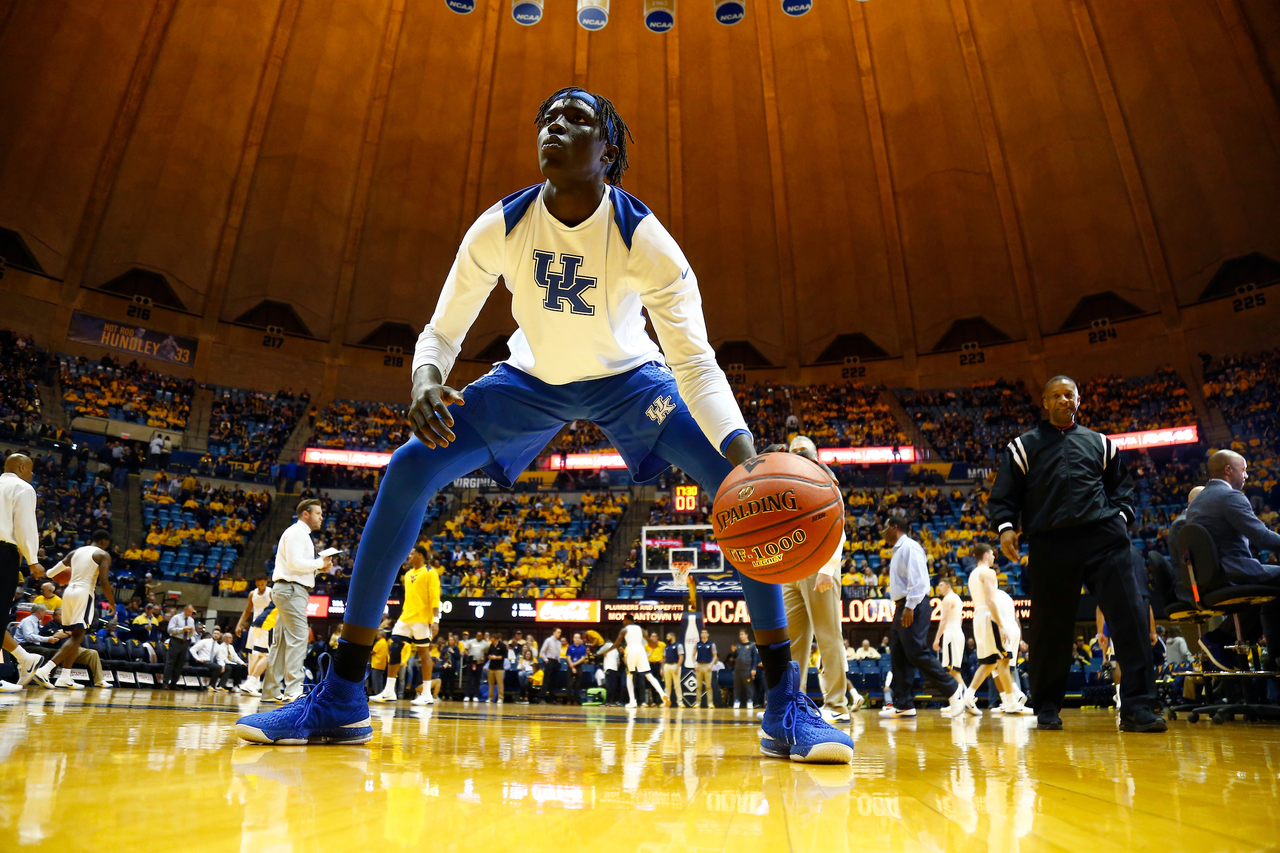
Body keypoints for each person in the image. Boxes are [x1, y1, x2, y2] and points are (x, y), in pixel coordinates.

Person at [235, 86, 852, 764]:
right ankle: (343, 696)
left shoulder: (645, 239)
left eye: (576, 118)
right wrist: (424, 381)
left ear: (607, 152)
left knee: (750, 495)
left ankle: (783, 705)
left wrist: (745, 455)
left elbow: (695, 364)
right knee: (409, 467)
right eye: (547, 117)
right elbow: (441, 332)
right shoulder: (501, 225)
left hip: (631, 382)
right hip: (526, 382)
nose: (554, 125)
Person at [989, 375, 1164, 733]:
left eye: (1070, 394)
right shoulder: (1022, 448)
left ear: (1079, 400)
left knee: (1130, 620)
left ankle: (1137, 707)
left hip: (1104, 540)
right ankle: (1048, 708)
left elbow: (1124, 492)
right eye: (1056, 395)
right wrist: (1006, 527)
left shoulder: (1101, 443)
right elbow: (1004, 497)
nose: (1064, 400)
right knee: (1050, 632)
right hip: (1050, 543)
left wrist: (1120, 521)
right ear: (1045, 401)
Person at [775, 436, 861, 722]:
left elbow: (838, 525)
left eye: (803, 452)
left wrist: (829, 565)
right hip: (794, 568)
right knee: (794, 641)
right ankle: (793, 704)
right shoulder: (788, 483)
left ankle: (837, 705)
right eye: (794, 453)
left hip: (820, 563)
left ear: (813, 455)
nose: (798, 456)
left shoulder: (824, 477)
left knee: (828, 635)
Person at [1184, 450, 1280, 656]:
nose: (1246, 476)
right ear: (1228, 470)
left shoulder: (1197, 502)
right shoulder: (1229, 496)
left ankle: (1249, 642)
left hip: (1210, 578)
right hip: (1232, 573)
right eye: (1243, 470)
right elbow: (1261, 537)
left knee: (1269, 586)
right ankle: (1272, 653)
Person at [880, 516, 963, 718]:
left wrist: (909, 606)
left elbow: (919, 580)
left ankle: (953, 689)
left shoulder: (910, 546)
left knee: (916, 652)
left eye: (884, 528)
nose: (881, 532)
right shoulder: (898, 549)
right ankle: (904, 704)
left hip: (913, 604)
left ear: (894, 527)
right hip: (902, 606)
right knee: (899, 654)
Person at [260, 499, 331, 703]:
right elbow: (295, 563)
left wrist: (319, 568)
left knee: (281, 642)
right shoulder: (297, 532)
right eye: (318, 513)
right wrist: (318, 563)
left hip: (288, 588)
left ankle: (271, 691)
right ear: (305, 514)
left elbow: (296, 566)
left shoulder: (301, 534)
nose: (321, 517)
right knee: (300, 636)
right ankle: (293, 690)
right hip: (291, 590)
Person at [32, 530, 115, 690]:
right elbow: (104, 581)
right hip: (84, 593)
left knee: (74, 636)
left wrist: (45, 574)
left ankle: (65, 677)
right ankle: (45, 670)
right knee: (77, 636)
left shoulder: (75, 552)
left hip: (68, 593)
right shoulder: (102, 554)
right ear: (104, 541)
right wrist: (111, 602)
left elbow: (51, 573)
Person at [952, 543, 1029, 717]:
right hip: (989, 616)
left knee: (989, 662)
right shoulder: (988, 572)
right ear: (986, 554)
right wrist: (1001, 625)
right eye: (992, 554)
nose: (994, 557)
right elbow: (991, 601)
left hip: (978, 617)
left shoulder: (972, 574)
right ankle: (1010, 701)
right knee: (1003, 660)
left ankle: (969, 695)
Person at [372, 546, 441, 706]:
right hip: (405, 617)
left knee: (424, 654)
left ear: (420, 555)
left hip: (422, 619)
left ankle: (426, 694)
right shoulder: (408, 574)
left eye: (412, 554)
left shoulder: (430, 572)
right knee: (394, 648)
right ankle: (389, 691)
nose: (409, 557)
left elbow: (435, 597)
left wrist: (436, 620)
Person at [0, 453, 45, 690]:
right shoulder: (22, 487)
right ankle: (24, 658)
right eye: (30, 470)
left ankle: (24, 658)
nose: (32, 474)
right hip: (3, 552)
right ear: (21, 467)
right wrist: (33, 559)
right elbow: (26, 525)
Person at [603, 615, 666, 709]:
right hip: (641, 650)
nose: (623, 622)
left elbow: (616, 643)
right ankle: (662, 694)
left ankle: (633, 701)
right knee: (648, 675)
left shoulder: (624, 630)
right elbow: (648, 640)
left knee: (629, 675)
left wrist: (607, 651)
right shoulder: (640, 629)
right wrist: (655, 645)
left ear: (628, 620)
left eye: (624, 620)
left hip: (631, 650)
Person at [234, 575, 273, 696]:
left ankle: (252, 683)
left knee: (265, 654)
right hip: (254, 626)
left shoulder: (271, 593)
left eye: (262, 584)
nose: (259, 587)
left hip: (267, 626)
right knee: (252, 655)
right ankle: (251, 683)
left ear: (266, 582)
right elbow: (247, 611)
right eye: (257, 584)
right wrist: (239, 624)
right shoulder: (252, 594)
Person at [932, 576, 965, 689]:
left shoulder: (947, 599)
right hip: (957, 633)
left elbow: (944, 620)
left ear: (948, 586)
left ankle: (967, 697)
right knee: (950, 671)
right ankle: (956, 700)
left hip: (951, 635)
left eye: (941, 585)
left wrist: (937, 639)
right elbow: (960, 619)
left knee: (953, 670)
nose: (939, 588)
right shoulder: (958, 598)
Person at [163, 604, 197, 690]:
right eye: (189, 611)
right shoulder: (176, 618)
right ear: (185, 610)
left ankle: (173, 684)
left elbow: (190, 634)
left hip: (185, 642)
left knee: (180, 664)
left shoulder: (191, 620)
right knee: (170, 663)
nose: (190, 613)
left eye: (191, 612)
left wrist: (191, 632)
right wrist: (182, 629)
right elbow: (170, 630)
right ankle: (165, 684)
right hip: (175, 641)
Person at [732, 629, 758, 711]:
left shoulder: (751, 645)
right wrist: (733, 652)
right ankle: (736, 701)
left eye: (742, 634)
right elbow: (734, 657)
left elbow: (755, 658)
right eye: (740, 634)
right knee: (737, 686)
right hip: (738, 669)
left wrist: (753, 669)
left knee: (749, 686)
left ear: (747, 635)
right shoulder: (738, 646)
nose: (741, 636)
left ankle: (750, 701)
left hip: (747, 669)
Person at [693, 628, 717, 709]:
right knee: (698, 686)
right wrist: (695, 664)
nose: (703, 634)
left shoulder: (711, 644)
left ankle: (710, 703)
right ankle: (698, 702)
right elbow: (693, 655)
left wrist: (711, 665)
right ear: (700, 634)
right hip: (699, 665)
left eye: (705, 633)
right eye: (702, 633)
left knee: (708, 686)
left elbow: (715, 656)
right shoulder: (697, 644)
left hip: (707, 666)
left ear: (708, 634)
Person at [539, 628, 564, 704]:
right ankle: (542, 698)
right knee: (546, 680)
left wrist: (558, 662)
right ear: (554, 632)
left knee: (554, 681)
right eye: (558, 632)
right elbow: (542, 652)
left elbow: (558, 653)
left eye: (560, 632)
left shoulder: (559, 643)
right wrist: (546, 660)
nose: (559, 634)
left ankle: (551, 698)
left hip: (556, 662)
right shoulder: (548, 640)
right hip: (549, 661)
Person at [661, 631, 682, 707]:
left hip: (675, 665)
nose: (667, 638)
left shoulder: (678, 645)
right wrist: (662, 668)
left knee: (677, 685)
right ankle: (666, 701)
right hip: (667, 665)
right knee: (667, 685)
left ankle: (680, 702)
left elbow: (681, 657)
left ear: (673, 637)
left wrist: (678, 667)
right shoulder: (666, 647)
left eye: (668, 636)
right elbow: (664, 658)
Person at [487, 633, 509, 704]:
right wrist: (490, 656)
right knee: (491, 684)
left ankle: (500, 698)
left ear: (496, 639)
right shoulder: (491, 645)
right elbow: (488, 654)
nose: (492, 641)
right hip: (491, 667)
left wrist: (496, 657)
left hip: (499, 668)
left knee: (500, 684)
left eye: (493, 640)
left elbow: (504, 656)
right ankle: (490, 698)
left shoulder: (502, 645)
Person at [566, 632, 587, 704]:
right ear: (573, 639)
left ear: (580, 639)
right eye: (576, 638)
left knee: (578, 684)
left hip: (578, 666)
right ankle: (568, 700)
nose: (577, 639)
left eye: (578, 638)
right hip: (570, 666)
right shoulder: (570, 647)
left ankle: (576, 700)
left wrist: (574, 664)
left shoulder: (583, 648)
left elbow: (582, 658)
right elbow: (568, 657)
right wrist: (572, 666)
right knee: (570, 684)